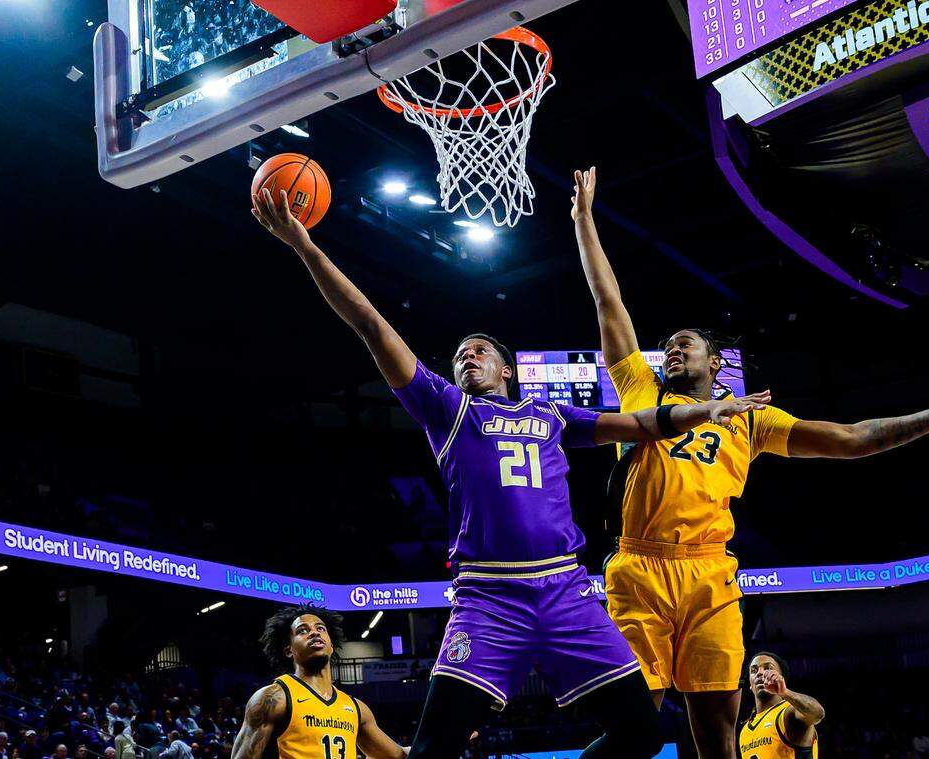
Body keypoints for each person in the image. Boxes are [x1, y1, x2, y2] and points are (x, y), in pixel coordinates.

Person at [253, 190, 775, 758]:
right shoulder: (447, 409)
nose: (466, 358)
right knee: (432, 750)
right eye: (459, 356)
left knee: (644, 733)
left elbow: (640, 422)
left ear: (506, 368)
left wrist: (706, 410)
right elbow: (372, 326)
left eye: (478, 351)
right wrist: (305, 247)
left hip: (566, 591)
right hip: (488, 597)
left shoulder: (551, 414)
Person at [570, 165, 929, 758]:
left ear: (716, 364)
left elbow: (855, 438)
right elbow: (608, 300)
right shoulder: (641, 396)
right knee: (638, 729)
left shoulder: (752, 419)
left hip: (710, 572)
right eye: (668, 345)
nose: (672, 349)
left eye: (686, 344)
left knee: (717, 733)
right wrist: (584, 221)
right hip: (638, 567)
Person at [230, 604, 409, 759]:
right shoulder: (273, 698)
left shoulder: (356, 709)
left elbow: (397, 755)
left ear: (331, 645)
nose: (314, 632)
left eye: (320, 628)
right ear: (288, 650)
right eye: (303, 630)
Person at [739, 653, 822, 758]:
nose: (760, 673)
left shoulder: (788, 713)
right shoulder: (744, 731)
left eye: (768, 668)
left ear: (781, 678)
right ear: (750, 685)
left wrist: (785, 692)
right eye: (754, 670)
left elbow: (818, 713)